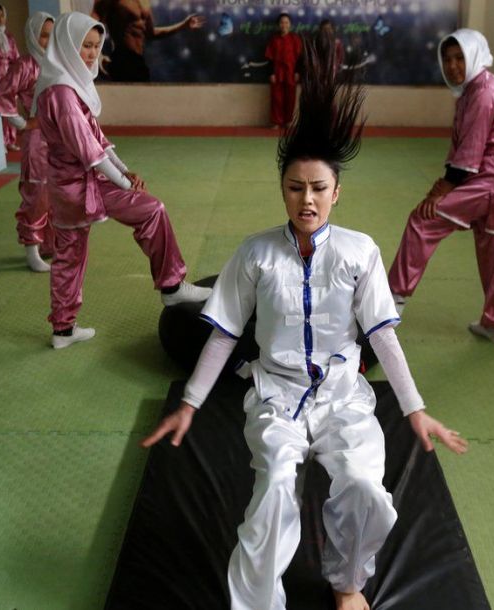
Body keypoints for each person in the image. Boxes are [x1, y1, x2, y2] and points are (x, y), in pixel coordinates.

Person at [142, 35, 467, 610]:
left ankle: (348, 582)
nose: (307, 200)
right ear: (283, 190)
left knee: (366, 490)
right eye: (296, 188)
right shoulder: (256, 254)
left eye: (319, 188)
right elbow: (223, 333)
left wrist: (415, 409)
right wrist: (189, 404)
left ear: (337, 192)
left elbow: (382, 335)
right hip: (277, 394)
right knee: (272, 493)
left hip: (342, 394)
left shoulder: (360, 252)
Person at [34, 12, 211, 350]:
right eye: (85, 45)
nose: (91, 53)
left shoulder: (63, 85)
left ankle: (63, 330)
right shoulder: (63, 95)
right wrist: (125, 184)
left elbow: (98, 140)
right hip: (80, 186)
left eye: (95, 46)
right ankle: (172, 286)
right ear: (67, 45)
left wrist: (124, 170)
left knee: (70, 256)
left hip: (68, 185)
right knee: (152, 210)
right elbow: (90, 153)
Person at [388, 29, 494, 345]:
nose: (452, 66)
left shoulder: (484, 92)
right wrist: (444, 183)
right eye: (447, 59)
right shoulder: (475, 89)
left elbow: (471, 149)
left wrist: (442, 189)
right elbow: (464, 147)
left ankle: (392, 301)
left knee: (423, 219)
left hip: (490, 176)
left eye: (460, 57)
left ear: (474, 55)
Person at [0, 12, 56, 273]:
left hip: (60, 139)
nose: (49, 41)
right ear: (32, 36)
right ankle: (32, 248)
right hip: (38, 140)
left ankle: (50, 244)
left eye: (53, 36)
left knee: (56, 192)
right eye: (44, 36)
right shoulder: (25, 65)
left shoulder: (58, 63)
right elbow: (2, 94)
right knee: (36, 192)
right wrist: (22, 123)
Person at [91, 0, 205, 82]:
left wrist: (183, 25)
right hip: (121, 59)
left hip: (139, 63)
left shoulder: (145, 2)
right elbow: (91, 24)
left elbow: (151, 33)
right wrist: (97, 56)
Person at [265, 13, 302, 129]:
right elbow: (269, 57)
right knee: (277, 97)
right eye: (282, 22)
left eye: (286, 22)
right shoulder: (274, 39)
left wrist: (297, 71)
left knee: (290, 97)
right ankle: (276, 121)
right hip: (277, 72)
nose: (284, 25)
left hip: (291, 72)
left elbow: (299, 57)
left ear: (290, 24)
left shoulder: (295, 39)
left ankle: (288, 121)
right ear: (278, 25)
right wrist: (271, 73)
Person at [0, 4, 21, 152]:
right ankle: (1, 142)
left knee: (10, 109)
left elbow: (16, 59)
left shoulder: (9, 38)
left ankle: (11, 140)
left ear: (5, 17)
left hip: (8, 77)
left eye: (1, 15)